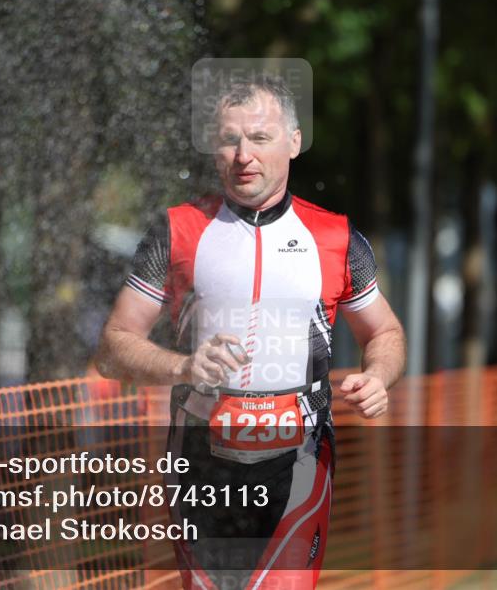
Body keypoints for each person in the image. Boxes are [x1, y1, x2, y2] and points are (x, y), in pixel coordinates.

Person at [94, 74, 405, 589]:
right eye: (229, 139)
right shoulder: (176, 231)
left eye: (260, 138)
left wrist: (379, 375)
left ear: (295, 141)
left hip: (299, 458)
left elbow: (385, 332)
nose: (244, 155)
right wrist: (182, 366)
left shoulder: (335, 236)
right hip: (200, 462)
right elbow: (112, 348)